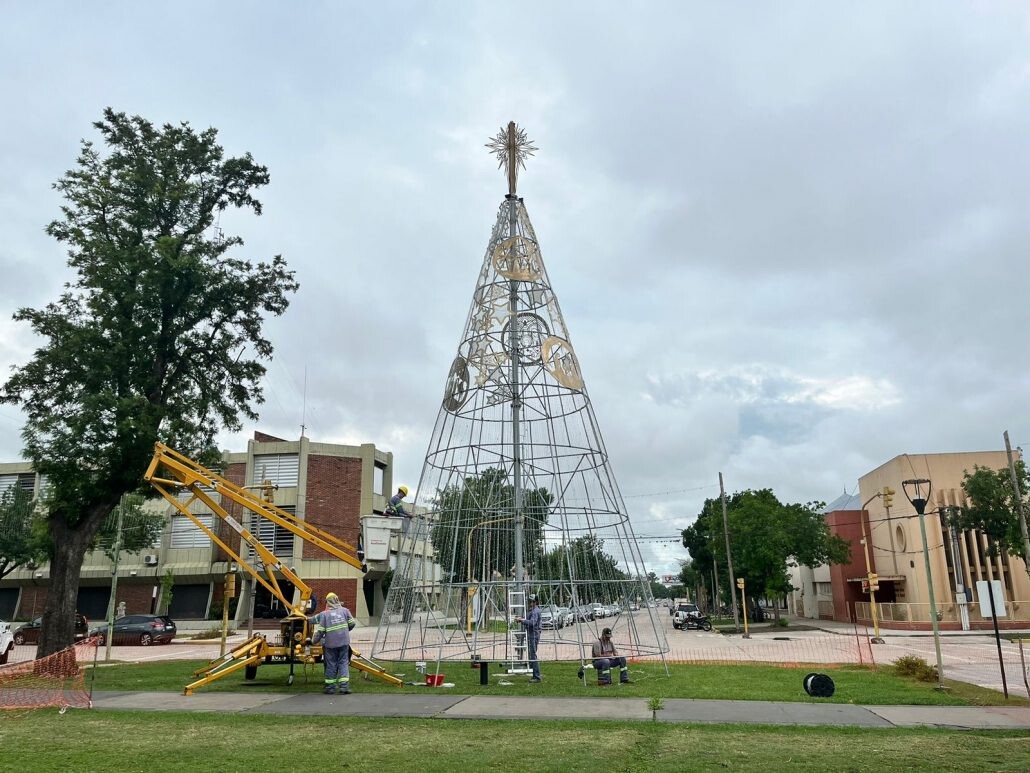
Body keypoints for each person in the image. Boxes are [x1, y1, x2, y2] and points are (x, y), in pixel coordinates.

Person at [311, 591, 356, 695]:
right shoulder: (345, 611)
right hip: (344, 642)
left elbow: (320, 631)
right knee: (343, 663)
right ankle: (344, 687)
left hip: (330, 644)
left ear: (327, 602)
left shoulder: (324, 615)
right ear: (337, 600)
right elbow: (352, 623)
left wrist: (313, 641)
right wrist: (345, 630)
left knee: (331, 664)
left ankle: (330, 687)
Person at [515, 594, 542, 682]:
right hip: (532, 635)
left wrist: (522, 620)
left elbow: (532, 623)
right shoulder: (533, 611)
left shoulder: (535, 611)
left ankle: (537, 676)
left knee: (533, 656)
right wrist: (522, 619)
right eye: (530, 601)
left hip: (533, 635)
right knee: (532, 655)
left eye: (533, 601)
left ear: (536, 602)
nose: (531, 603)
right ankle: (535, 674)